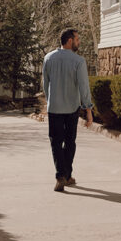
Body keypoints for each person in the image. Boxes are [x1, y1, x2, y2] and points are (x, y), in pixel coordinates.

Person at [42, 28, 94, 192]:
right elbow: (84, 87)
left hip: (55, 108)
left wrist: (50, 101)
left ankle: (61, 176)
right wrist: (88, 110)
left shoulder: (48, 58)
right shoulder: (78, 61)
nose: (79, 42)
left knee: (56, 142)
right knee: (70, 142)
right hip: (72, 108)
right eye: (77, 39)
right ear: (70, 41)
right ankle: (66, 175)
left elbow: (45, 84)